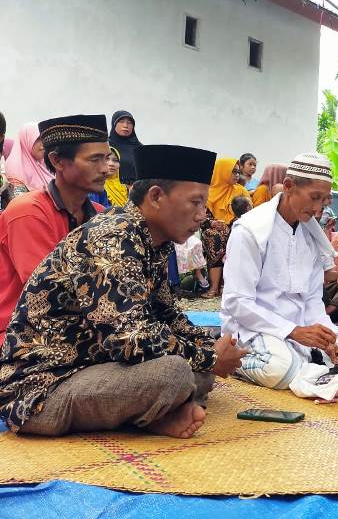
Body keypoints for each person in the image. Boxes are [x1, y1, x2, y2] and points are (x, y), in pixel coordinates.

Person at [0, 144, 246, 436]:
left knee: (197, 372)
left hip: (96, 365)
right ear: (156, 197)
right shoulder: (113, 238)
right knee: (174, 373)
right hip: (43, 387)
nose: (202, 215)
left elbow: (168, 315)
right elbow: (130, 339)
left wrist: (212, 346)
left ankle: (156, 414)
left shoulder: (152, 240)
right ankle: (155, 414)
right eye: (195, 202)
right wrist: (212, 358)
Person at [220, 153, 338, 389]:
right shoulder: (250, 231)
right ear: (289, 186)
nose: (318, 208)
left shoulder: (310, 235)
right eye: (314, 198)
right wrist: (292, 331)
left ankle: (312, 366)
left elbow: (312, 299)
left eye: (324, 200)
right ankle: (235, 361)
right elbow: (237, 302)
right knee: (282, 370)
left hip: (300, 328)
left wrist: (326, 337)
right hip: (252, 328)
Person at [0, 115, 111, 346]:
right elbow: (48, 291)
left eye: (107, 158)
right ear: (58, 161)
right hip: (19, 335)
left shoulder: (99, 214)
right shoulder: (28, 212)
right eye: (94, 160)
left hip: (75, 328)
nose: (105, 169)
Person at [201, 158, 248, 298]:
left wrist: (234, 222)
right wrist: (211, 223)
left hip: (236, 227)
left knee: (234, 235)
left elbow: (249, 213)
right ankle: (214, 287)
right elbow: (200, 217)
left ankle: (228, 286)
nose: (237, 175)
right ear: (221, 172)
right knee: (214, 236)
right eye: (233, 172)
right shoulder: (207, 192)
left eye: (238, 172)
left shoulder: (241, 191)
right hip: (213, 229)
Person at [4, 122, 52, 193]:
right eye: (38, 139)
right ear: (27, 140)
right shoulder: (16, 167)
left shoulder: (42, 163)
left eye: (44, 138)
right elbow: (19, 200)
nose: (43, 143)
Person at [108, 110, 142, 185]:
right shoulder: (106, 146)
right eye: (121, 121)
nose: (125, 125)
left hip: (134, 192)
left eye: (129, 123)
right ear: (114, 124)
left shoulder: (140, 149)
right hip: (108, 192)